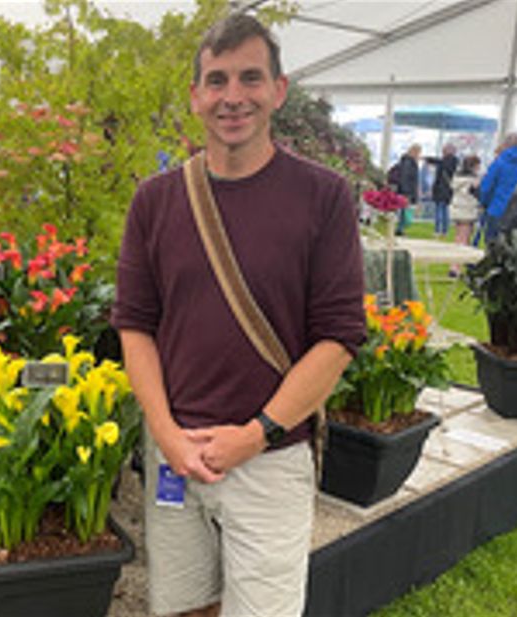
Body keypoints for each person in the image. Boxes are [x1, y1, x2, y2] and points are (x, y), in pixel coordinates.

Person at [111, 13, 366, 617]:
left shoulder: (323, 196)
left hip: (270, 456)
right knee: (182, 607)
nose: (233, 97)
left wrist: (255, 435)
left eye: (250, 78)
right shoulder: (155, 200)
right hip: (176, 454)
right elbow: (135, 326)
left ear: (278, 90)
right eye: (217, 80)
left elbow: (338, 338)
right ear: (196, 96)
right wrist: (168, 436)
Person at [478, 133, 517, 245]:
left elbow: (487, 187)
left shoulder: (499, 163)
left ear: (504, 144)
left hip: (497, 209)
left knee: (492, 246)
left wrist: (484, 202)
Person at [448, 154, 482, 277]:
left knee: (458, 238)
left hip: (457, 208)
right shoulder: (473, 181)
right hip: (467, 210)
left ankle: (454, 265)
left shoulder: (457, 178)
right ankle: (456, 268)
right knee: (464, 239)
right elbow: (477, 195)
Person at [425, 143, 458, 237]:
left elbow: (440, 163)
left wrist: (429, 159)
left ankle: (438, 230)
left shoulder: (449, 161)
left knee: (440, 210)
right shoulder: (452, 161)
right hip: (446, 190)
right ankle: (444, 230)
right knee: (444, 210)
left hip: (443, 189)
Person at [394, 144, 422, 235]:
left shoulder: (408, 161)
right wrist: (407, 191)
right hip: (406, 190)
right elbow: (406, 177)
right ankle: (400, 228)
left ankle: (400, 229)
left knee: (404, 211)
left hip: (406, 189)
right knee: (404, 212)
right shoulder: (409, 162)